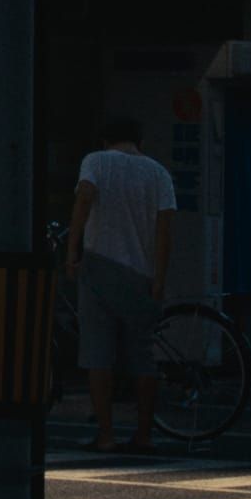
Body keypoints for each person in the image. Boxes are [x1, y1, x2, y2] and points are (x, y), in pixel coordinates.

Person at [66, 107, 176, 457]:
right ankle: (144, 434)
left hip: (99, 267)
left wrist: (72, 251)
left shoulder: (95, 162)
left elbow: (83, 199)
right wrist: (159, 277)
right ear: (139, 141)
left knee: (99, 355)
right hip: (141, 273)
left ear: (105, 139)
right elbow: (165, 229)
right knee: (143, 357)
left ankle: (107, 434)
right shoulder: (158, 173)